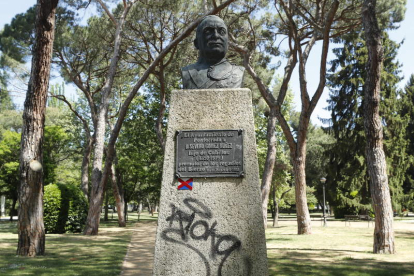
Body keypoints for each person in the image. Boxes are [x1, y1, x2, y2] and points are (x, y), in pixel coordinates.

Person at [181, 15, 244, 89]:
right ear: (196, 43)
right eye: (208, 31)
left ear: (227, 43)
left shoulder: (238, 72)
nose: (216, 35)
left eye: (222, 31)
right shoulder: (186, 73)